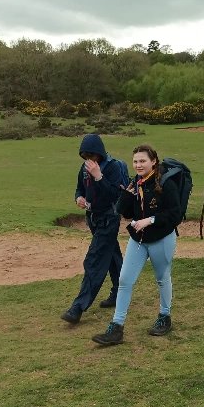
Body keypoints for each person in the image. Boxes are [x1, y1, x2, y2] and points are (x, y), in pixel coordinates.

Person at [92, 144, 181, 346]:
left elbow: (175, 214)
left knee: (162, 278)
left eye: (143, 161)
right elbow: (124, 212)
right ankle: (116, 327)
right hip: (138, 240)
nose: (138, 165)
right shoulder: (136, 183)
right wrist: (127, 194)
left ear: (153, 161)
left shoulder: (166, 183)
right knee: (124, 280)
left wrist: (150, 220)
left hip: (162, 238)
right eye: (135, 161)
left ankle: (164, 317)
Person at [61, 134, 124, 325]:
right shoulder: (85, 167)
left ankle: (78, 307)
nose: (89, 160)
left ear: (100, 153)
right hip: (93, 219)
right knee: (112, 256)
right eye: (85, 156)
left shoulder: (112, 167)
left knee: (94, 261)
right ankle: (120, 292)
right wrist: (79, 198)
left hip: (109, 219)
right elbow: (80, 188)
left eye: (92, 155)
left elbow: (115, 194)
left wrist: (99, 177)